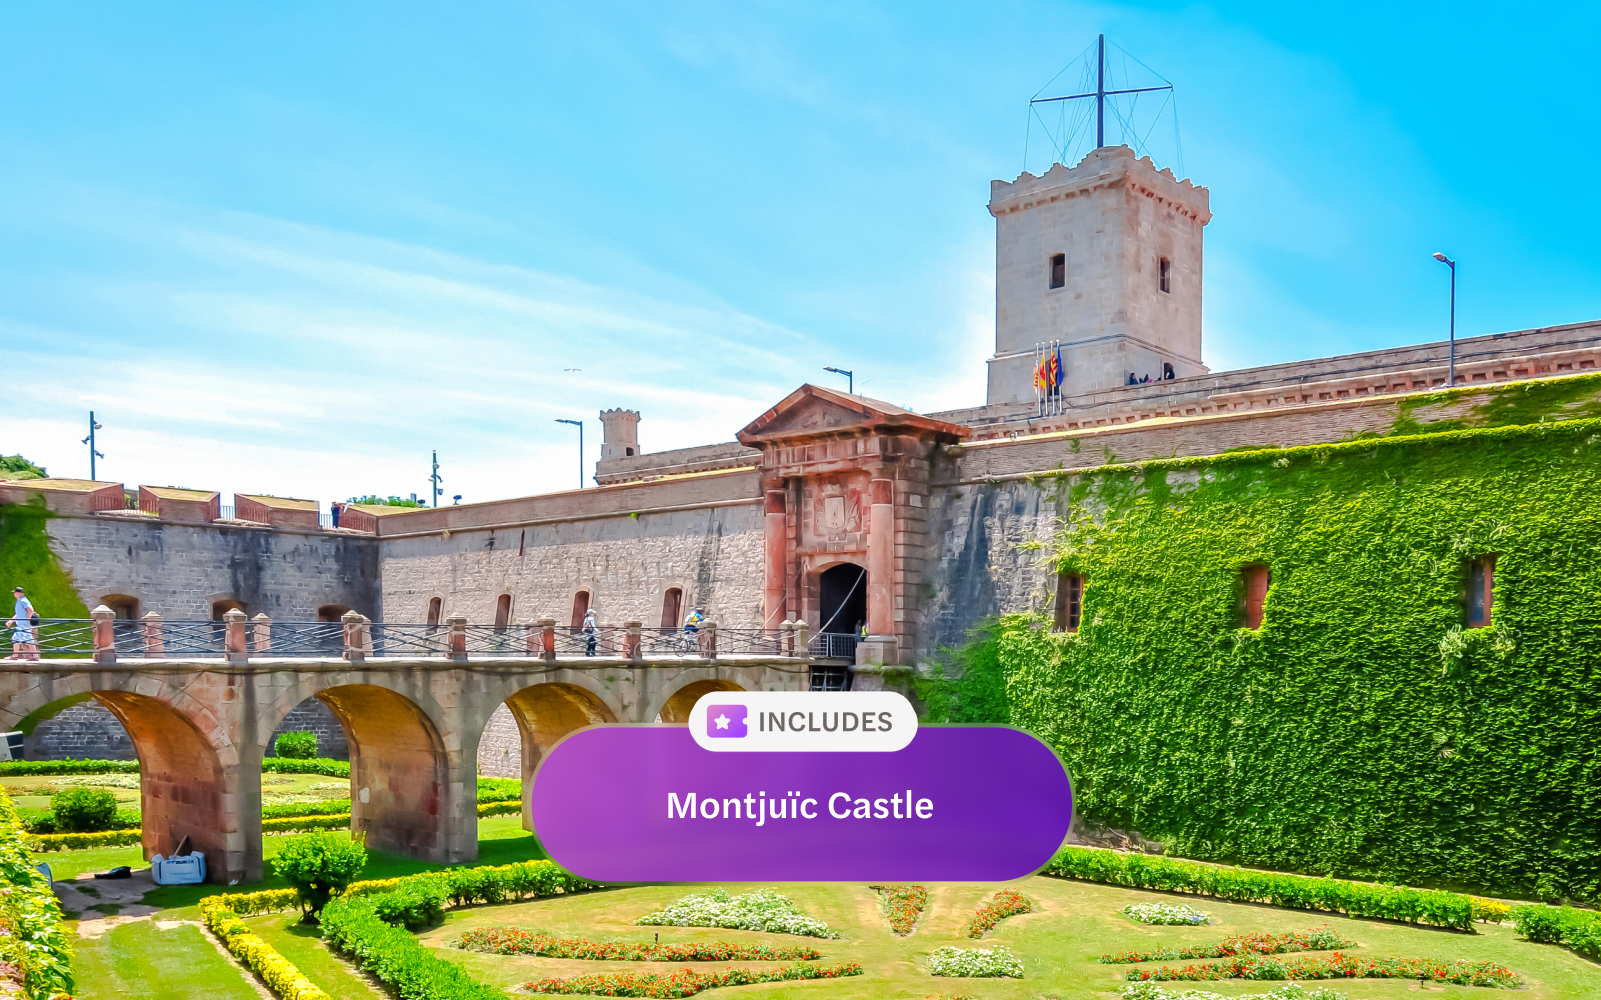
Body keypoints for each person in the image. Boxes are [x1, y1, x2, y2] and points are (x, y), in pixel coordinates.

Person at [7, 587, 39, 661]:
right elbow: (19, 613)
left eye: (15, 593)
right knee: (26, 639)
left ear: (17, 593)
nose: (14, 594)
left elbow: (31, 610)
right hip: (22, 624)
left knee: (18, 638)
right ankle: (35, 656)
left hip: (23, 624)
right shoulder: (21, 600)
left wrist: (27, 619)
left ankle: (15, 655)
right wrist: (11, 621)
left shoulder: (23, 600)